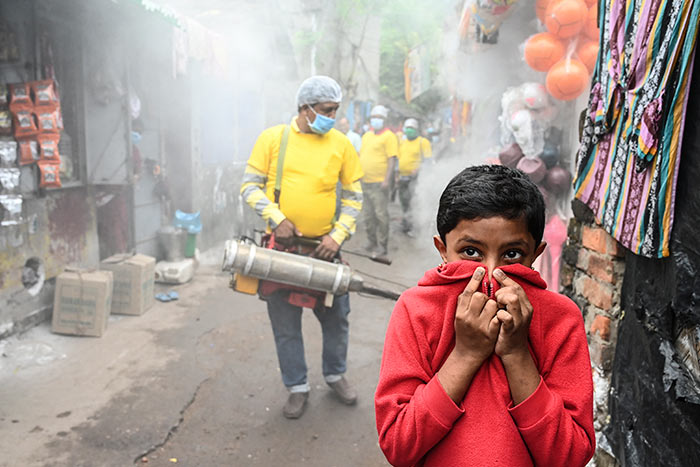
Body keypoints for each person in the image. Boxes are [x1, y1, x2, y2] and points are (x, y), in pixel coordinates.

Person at [374, 165, 595, 466]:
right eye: (471, 252)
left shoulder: (560, 318)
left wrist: (517, 353)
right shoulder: (417, 309)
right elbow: (399, 445)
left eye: (512, 254)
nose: (490, 273)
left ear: (536, 254)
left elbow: (570, 456)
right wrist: (466, 354)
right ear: (442, 248)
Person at [240, 76, 364, 419]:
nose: (333, 117)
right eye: (327, 110)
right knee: (285, 323)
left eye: (336, 110)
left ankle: (335, 375)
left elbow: (354, 198)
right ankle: (296, 387)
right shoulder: (272, 139)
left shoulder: (341, 144)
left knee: (337, 318)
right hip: (280, 250)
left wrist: (337, 236)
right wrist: (275, 216)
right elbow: (249, 187)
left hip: (325, 250)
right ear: (305, 109)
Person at [358, 104, 397, 261]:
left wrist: (387, 179)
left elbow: (391, 159)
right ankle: (371, 242)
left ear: (384, 120)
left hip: (379, 183)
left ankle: (382, 246)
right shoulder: (367, 135)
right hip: (365, 182)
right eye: (374, 117)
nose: (376, 120)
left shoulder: (389, 136)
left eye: (379, 118)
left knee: (381, 215)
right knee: (368, 215)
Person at [397, 118, 432, 237]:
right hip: (403, 178)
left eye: (411, 128)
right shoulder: (402, 142)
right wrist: (397, 174)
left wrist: (418, 169)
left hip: (416, 179)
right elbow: (398, 159)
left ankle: (416, 228)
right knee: (404, 201)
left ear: (416, 130)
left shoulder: (423, 142)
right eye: (407, 128)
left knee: (414, 202)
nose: (409, 131)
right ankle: (406, 223)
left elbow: (428, 161)